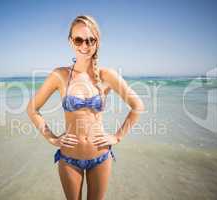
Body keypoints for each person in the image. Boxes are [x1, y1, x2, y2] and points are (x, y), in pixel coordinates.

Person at [27, 15, 145, 200]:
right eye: (79, 39)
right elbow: (32, 109)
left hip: (100, 157)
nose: (85, 45)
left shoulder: (107, 75)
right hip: (68, 159)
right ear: (70, 41)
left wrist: (117, 136)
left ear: (97, 42)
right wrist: (52, 139)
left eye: (91, 40)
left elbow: (137, 106)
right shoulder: (60, 75)